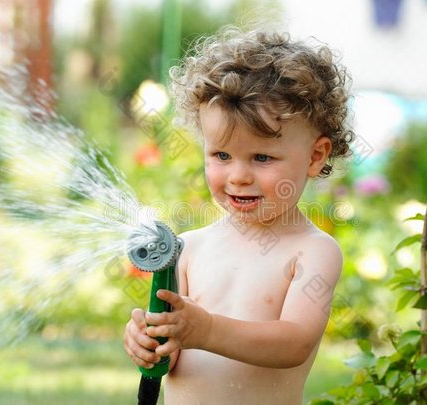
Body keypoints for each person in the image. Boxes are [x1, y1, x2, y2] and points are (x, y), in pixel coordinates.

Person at [124, 26, 354, 404]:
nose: (238, 176)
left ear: (315, 156)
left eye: (262, 158)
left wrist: (207, 330)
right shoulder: (188, 248)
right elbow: (175, 351)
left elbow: (294, 342)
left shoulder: (312, 252)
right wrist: (149, 342)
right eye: (221, 156)